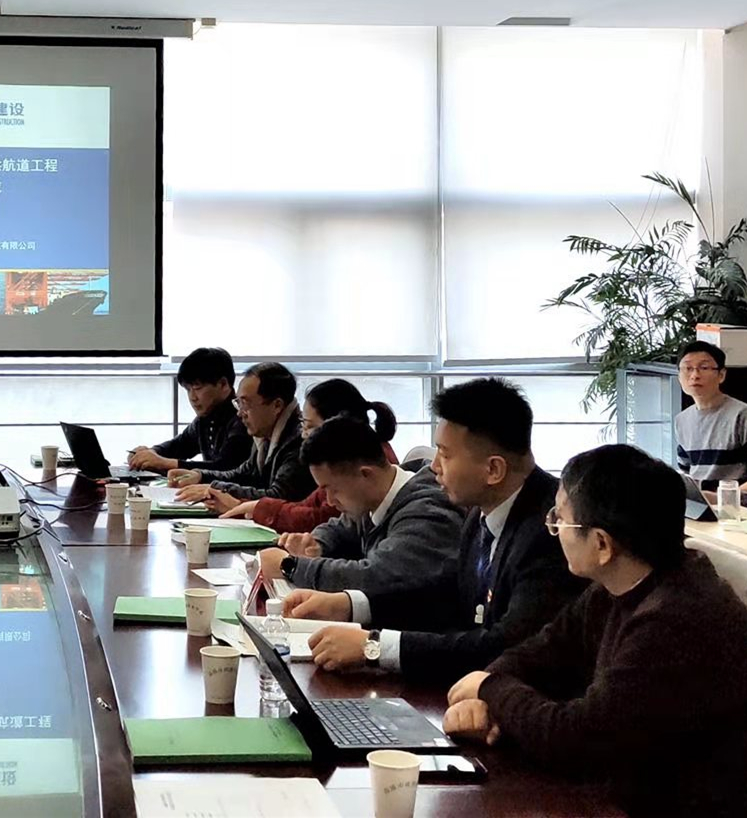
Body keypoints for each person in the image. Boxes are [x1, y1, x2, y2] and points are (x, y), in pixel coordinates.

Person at [443, 444, 747, 818]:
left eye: (560, 519)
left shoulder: (676, 620)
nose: (553, 529)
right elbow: (542, 651)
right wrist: (485, 696)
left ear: (602, 544)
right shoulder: (618, 585)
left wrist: (489, 688)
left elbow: (576, 738)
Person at [285, 378, 584, 683]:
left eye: (445, 453)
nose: (434, 466)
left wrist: (374, 647)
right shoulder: (481, 513)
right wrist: (351, 605)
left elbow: (505, 645)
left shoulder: (551, 531)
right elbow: (445, 594)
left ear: (493, 470)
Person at [255, 415, 461, 595]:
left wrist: (290, 566)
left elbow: (375, 577)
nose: (329, 500)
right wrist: (316, 543)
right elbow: (341, 527)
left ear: (365, 475)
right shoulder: (373, 501)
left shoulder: (427, 514)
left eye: (332, 489)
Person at [198, 378, 399, 529]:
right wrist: (246, 507)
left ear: (335, 425)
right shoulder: (341, 454)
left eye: (309, 427)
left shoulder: (354, 459)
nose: (303, 435)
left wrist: (249, 507)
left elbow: (319, 518)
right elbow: (308, 506)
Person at [168, 361, 314, 504]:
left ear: (277, 405)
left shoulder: (299, 440)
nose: (240, 413)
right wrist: (200, 476)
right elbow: (243, 474)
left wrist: (214, 489)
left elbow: (277, 497)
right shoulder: (266, 435)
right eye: (239, 403)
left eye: (245, 404)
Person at [128, 347, 250, 473]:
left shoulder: (243, 419)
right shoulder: (205, 418)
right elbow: (179, 445)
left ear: (223, 384)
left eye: (197, 388)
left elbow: (226, 467)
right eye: (188, 389)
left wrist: (165, 463)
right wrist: (150, 453)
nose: (192, 397)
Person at [675, 340, 747, 489]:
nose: (695, 375)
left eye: (704, 367)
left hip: (735, 500)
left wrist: (729, 497)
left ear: (721, 375)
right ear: (679, 376)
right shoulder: (681, 420)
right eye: (688, 368)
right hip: (698, 500)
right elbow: (686, 472)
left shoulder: (741, 415)